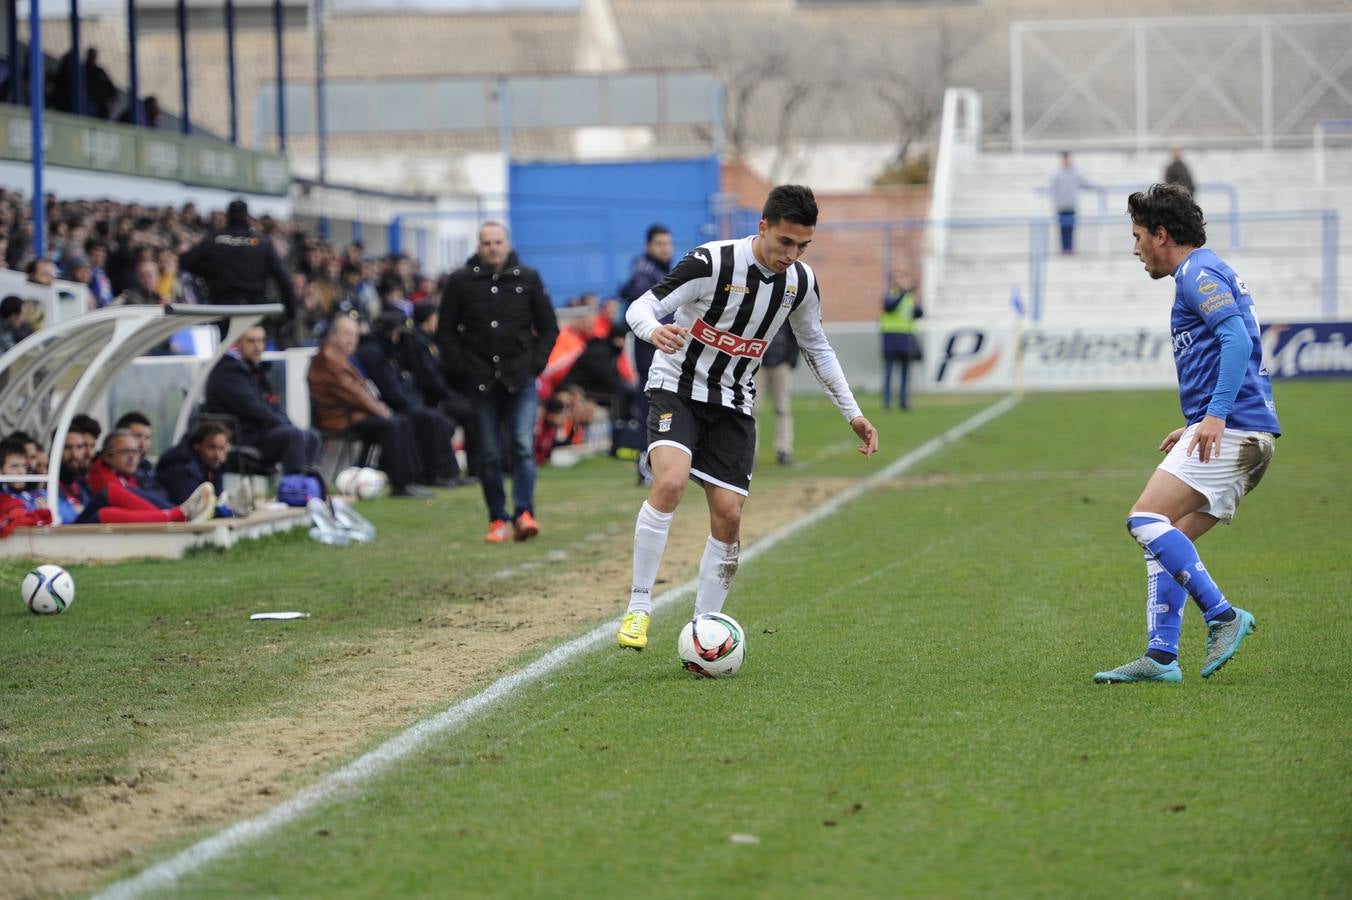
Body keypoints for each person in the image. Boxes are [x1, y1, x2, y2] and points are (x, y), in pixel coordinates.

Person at [617, 185, 878, 650]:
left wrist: (852, 413)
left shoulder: (800, 283)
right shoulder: (711, 262)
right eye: (785, 243)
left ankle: (705, 629)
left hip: (734, 401)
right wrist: (655, 330)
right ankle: (639, 607)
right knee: (671, 483)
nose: (792, 255)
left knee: (730, 516)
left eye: (803, 246)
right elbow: (641, 306)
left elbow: (815, 345)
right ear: (763, 227)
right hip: (677, 387)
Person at [1094, 183, 1280, 684]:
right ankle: (1161, 657)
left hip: (1235, 431)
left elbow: (1235, 337)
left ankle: (1223, 616)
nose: (1135, 250)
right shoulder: (1202, 272)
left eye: (1138, 237)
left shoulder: (1198, 271)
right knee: (1166, 540)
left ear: (1161, 233)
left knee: (1144, 519)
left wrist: (1216, 416)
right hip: (1247, 435)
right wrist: (1199, 420)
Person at [436, 222, 558, 543]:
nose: (492, 247)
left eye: (498, 242)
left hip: (520, 377)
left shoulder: (528, 278)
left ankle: (524, 512)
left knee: (521, 447)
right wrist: (462, 367)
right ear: (479, 245)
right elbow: (445, 332)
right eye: (487, 242)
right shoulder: (461, 281)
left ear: (508, 243)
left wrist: (536, 363)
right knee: (487, 453)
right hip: (479, 381)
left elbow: (549, 327)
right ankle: (497, 518)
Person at [307, 314, 430, 498]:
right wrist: (380, 409)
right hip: (341, 418)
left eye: (355, 335)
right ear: (333, 336)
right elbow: (354, 393)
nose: (351, 340)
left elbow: (358, 391)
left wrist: (379, 409)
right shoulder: (329, 359)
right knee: (392, 424)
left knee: (400, 421)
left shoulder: (340, 357)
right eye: (346, 334)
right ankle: (401, 484)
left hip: (354, 413)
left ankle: (411, 479)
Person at [355, 308, 461, 487]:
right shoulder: (373, 352)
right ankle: (435, 474)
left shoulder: (388, 351)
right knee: (430, 419)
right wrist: (410, 403)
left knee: (436, 418)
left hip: (399, 403)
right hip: (389, 406)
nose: (399, 338)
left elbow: (401, 382)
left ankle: (445, 472)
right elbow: (388, 388)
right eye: (398, 333)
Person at [203, 324, 322, 475]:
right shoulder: (229, 371)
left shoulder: (251, 368)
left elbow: (270, 404)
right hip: (240, 436)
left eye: (261, 341)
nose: (258, 346)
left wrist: (286, 422)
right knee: (294, 435)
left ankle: (313, 487)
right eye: (251, 341)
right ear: (237, 343)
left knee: (312, 435)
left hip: (258, 432)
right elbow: (253, 409)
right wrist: (284, 424)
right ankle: (295, 489)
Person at [179, 199, 297, 340]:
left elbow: (184, 261)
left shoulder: (214, 239)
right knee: (256, 354)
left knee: (225, 353)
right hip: (255, 312)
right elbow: (283, 279)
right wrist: (290, 313)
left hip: (222, 310)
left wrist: (206, 272)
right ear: (247, 217)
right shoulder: (261, 242)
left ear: (228, 216)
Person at [618, 224, 674, 484]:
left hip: (665, 350)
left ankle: (662, 465)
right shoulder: (645, 272)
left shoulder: (662, 270)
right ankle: (645, 466)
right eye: (660, 244)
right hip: (649, 353)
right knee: (650, 409)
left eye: (668, 244)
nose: (666, 249)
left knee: (665, 410)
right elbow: (636, 296)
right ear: (648, 246)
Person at [402, 302, 477, 483]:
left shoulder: (428, 341)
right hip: (430, 399)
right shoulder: (418, 342)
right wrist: (450, 395)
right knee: (463, 416)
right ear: (429, 319)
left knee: (469, 413)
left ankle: (463, 469)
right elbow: (429, 376)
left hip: (436, 396)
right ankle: (452, 471)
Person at [156, 420, 234, 515]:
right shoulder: (181, 468)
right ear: (197, 446)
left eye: (221, 448)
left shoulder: (213, 468)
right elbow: (190, 509)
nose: (217, 455)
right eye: (211, 447)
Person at [880, 268, 923, 411]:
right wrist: (904, 293)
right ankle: (887, 403)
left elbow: (919, 314)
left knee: (905, 372)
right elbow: (889, 307)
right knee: (889, 372)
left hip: (906, 338)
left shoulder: (910, 298)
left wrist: (916, 301)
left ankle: (904, 402)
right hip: (890, 338)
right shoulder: (890, 296)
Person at [754, 325, 799, 465]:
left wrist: (791, 360)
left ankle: (784, 449)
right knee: (752, 410)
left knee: (782, 408)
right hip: (757, 364)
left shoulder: (785, 308)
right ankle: (750, 451)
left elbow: (794, 334)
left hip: (781, 363)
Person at [1049, 151, 1093, 255]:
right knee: (1062, 229)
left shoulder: (1075, 173)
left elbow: (1085, 183)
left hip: (1071, 205)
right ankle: (1064, 249)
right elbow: (1054, 191)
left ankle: (1070, 249)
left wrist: (1099, 187)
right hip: (1061, 206)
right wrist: (1055, 203)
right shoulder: (1056, 174)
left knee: (1071, 228)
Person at [113, 410, 164, 496]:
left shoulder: (148, 470)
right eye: (137, 436)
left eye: (147, 438)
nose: (142, 444)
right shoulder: (122, 473)